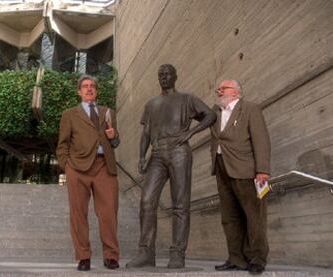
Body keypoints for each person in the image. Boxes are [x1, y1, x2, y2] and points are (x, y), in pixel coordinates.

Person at [126, 64, 216, 269]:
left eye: (167, 74)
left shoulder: (186, 98)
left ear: (175, 76)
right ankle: (146, 253)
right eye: (160, 75)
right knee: (147, 201)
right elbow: (146, 133)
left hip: (179, 152)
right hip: (157, 154)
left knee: (180, 204)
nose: (163, 77)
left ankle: (177, 254)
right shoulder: (151, 104)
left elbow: (210, 115)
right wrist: (141, 155)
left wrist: (191, 133)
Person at [56, 75, 120, 271]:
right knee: (78, 214)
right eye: (85, 86)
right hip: (78, 168)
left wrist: (114, 136)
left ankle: (111, 256)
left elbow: (115, 142)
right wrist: (67, 166)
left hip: (104, 167)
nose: (89, 89)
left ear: (97, 91)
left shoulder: (108, 112)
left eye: (92, 86)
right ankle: (83, 257)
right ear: (79, 91)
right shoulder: (69, 114)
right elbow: (63, 144)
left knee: (109, 213)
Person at [210, 80, 271, 274]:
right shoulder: (216, 112)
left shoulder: (250, 109)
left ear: (236, 92)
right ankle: (236, 258)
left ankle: (257, 259)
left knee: (254, 216)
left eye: (224, 88)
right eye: (218, 89)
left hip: (246, 169)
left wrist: (262, 169)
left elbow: (261, 140)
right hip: (221, 168)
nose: (219, 91)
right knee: (230, 217)